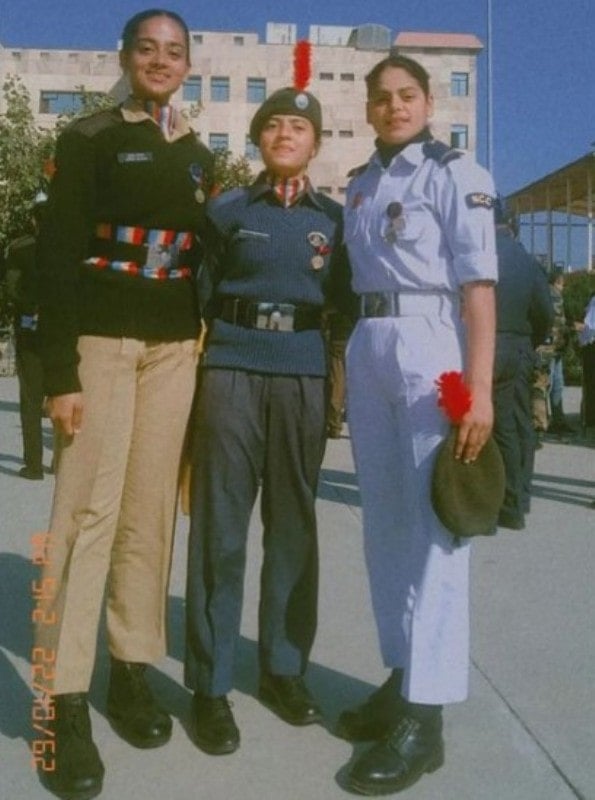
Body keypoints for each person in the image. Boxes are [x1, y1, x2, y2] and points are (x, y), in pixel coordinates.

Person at [33, 10, 213, 800]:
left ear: (187, 65)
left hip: (173, 349)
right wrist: (59, 373)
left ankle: (130, 669)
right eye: (148, 49)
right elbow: (55, 254)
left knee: (148, 513)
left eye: (174, 52)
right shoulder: (90, 137)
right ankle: (63, 696)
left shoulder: (197, 152)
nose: (161, 61)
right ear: (126, 57)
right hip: (101, 343)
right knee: (85, 515)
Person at [337, 54, 497, 795]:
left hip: (432, 343)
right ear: (368, 108)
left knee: (437, 527)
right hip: (369, 342)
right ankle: (403, 675)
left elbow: (478, 288)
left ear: (429, 103)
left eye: (407, 95)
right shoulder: (361, 184)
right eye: (382, 98)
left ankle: (425, 717)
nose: (395, 107)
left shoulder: (454, 173)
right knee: (385, 526)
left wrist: (479, 389)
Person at [183, 75, 352, 755]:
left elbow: (344, 307)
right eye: (274, 125)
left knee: (293, 529)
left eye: (299, 127)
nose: (286, 135)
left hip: (302, 377)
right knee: (220, 531)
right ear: (258, 139)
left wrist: (334, 388)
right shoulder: (225, 211)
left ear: (315, 143)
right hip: (230, 372)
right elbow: (197, 292)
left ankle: (283, 668)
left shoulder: (335, 221)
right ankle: (209, 684)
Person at [492, 197, 553, 529]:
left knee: (485, 424)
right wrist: (530, 341)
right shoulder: (528, 262)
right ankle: (516, 501)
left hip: (476, 343)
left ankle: (485, 497)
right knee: (516, 425)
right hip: (516, 346)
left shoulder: (475, 254)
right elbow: (545, 313)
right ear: (513, 225)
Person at [2, 193, 48, 479]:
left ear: (33, 219)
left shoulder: (19, 249)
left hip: (31, 329)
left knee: (31, 398)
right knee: (64, 392)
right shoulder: (72, 249)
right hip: (65, 331)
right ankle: (63, 462)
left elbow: (12, 289)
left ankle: (34, 465)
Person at [546, 269, 574, 435]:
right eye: (562, 283)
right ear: (557, 282)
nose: (563, 287)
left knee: (554, 383)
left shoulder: (547, 294)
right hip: (553, 347)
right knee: (552, 383)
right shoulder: (554, 295)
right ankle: (553, 421)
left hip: (552, 347)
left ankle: (553, 420)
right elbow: (560, 321)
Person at [578, 291, 595, 435]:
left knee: (590, 385)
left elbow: (589, 326)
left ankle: (590, 421)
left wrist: (576, 326)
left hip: (591, 346)